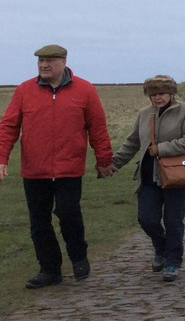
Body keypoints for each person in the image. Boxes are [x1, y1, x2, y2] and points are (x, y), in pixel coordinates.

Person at [0, 44, 114, 289]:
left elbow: (98, 127)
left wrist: (104, 159)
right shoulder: (24, 91)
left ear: (64, 62)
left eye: (50, 61)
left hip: (69, 169)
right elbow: (8, 127)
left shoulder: (85, 90)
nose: (44, 65)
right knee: (39, 222)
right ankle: (49, 269)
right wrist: (2, 158)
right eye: (41, 61)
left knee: (68, 214)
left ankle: (78, 256)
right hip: (35, 170)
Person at [106, 75, 185, 283]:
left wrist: (162, 149)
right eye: (153, 95)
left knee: (173, 221)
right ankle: (161, 247)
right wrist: (114, 163)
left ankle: (173, 262)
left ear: (171, 93)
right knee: (146, 219)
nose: (157, 98)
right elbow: (132, 142)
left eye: (161, 94)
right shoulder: (143, 115)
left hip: (177, 175)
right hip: (148, 176)